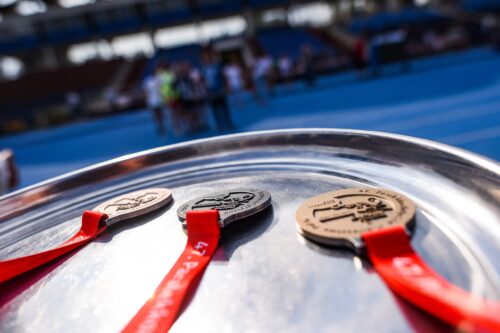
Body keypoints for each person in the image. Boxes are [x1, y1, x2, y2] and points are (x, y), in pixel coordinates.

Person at [201, 50, 234, 132]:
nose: (206, 60)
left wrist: (227, 87)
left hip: (219, 89)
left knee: (224, 107)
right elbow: (204, 81)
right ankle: (220, 125)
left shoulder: (217, 66)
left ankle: (229, 124)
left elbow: (224, 77)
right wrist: (205, 90)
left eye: (207, 58)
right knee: (215, 109)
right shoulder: (204, 69)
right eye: (204, 58)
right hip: (211, 92)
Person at [143, 65, 166, 135]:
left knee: (161, 114)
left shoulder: (160, 79)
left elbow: (163, 89)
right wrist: (147, 100)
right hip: (153, 101)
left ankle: (162, 126)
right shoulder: (148, 80)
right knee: (156, 115)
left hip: (160, 99)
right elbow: (146, 91)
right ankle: (159, 126)